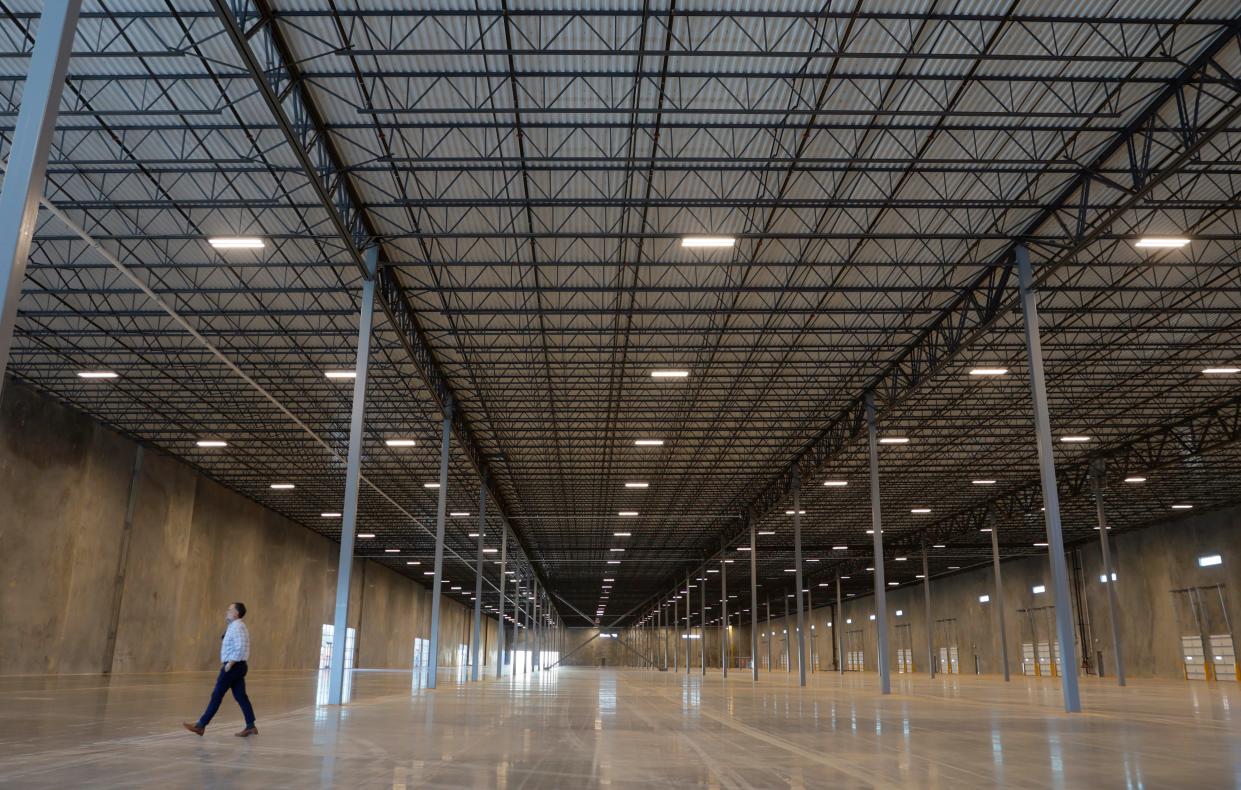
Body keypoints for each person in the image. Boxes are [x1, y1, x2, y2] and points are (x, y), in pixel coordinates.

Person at [183, 602, 258, 737]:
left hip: (233, 666)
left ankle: (201, 725)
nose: (226, 612)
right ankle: (251, 726)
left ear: (236, 613)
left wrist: (230, 664)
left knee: (216, 696)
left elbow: (240, 647)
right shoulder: (236, 626)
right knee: (241, 696)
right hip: (239, 666)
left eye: (229, 610)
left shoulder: (237, 627)